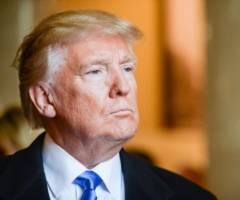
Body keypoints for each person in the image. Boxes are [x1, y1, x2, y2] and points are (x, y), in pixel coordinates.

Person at [0, 10, 217, 200]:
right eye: (96, 71)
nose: (123, 87)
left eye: (127, 68)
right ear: (45, 99)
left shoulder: (190, 196)